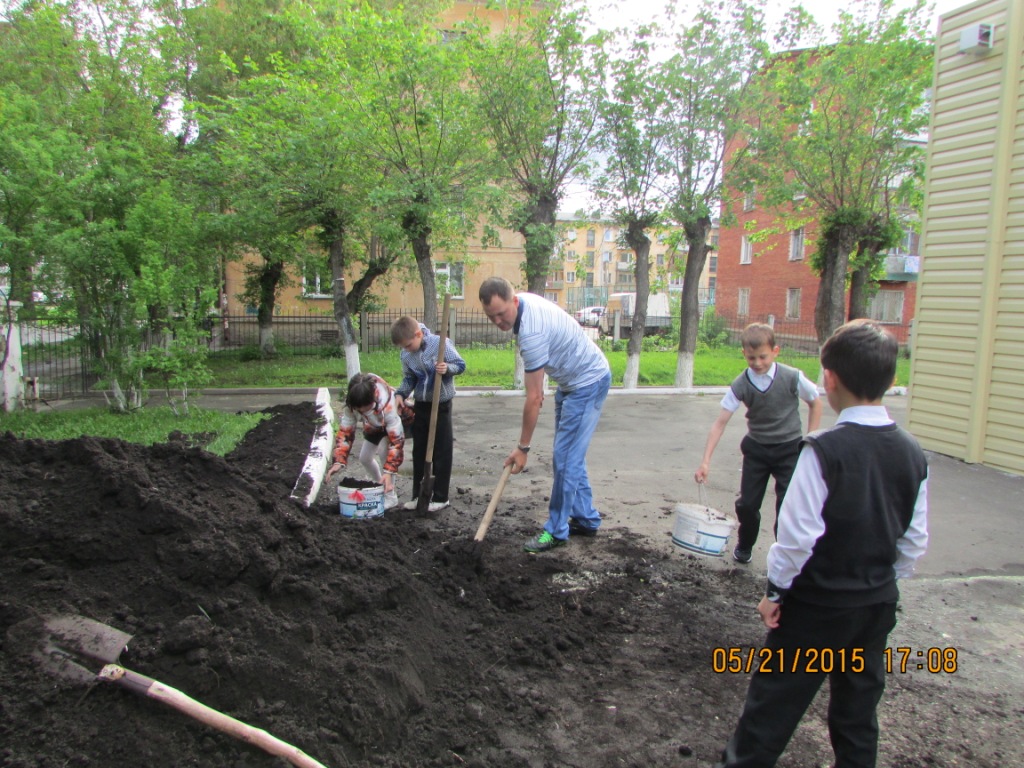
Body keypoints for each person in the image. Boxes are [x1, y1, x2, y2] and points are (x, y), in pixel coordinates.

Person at [714, 319, 929, 768]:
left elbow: (796, 541)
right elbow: (913, 541)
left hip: (815, 610)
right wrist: (877, 586)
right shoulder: (913, 452)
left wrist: (775, 593)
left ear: (828, 379)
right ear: (891, 380)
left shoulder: (820, 451)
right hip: (874, 609)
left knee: (770, 712)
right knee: (856, 716)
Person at [479, 276, 611, 553]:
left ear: (513, 301)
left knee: (565, 459)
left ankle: (556, 531)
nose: (499, 322)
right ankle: (586, 518)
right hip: (572, 383)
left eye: (501, 314)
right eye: (491, 317)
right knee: (570, 456)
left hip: (587, 383)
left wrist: (522, 447)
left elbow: (535, 397)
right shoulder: (523, 304)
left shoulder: (531, 332)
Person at [695, 323, 822, 563]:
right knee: (747, 505)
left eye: (763, 357)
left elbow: (815, 402)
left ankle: (784, 553)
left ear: (775, 351)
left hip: (790, 449)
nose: (757, 363)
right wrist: (705, 461)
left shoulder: (792, 377)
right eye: (751, 358)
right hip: (757, 450)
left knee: (788, 506)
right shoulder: (741, 383)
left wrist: (810, 439)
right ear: (744, 354)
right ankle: (745, 545)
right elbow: (720, 423)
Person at [391, 315, 467, 512]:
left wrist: (447, 368)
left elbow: (460, 365)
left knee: (442, 451)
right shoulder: (406, 355)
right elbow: (409, 378)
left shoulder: (440, 344)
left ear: (418, 334)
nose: (406, 349)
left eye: (408, 345)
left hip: (441, 404)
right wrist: (400, 394)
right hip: (422, 405)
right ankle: (419, 495)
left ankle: (441, 497)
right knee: (419, 451)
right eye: (403, 347)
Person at [326, 372, 405, 512]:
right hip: (373, 425)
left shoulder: (388, 405)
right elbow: (346, 430)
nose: (361, 411)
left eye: (366, 408)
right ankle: (379, 485)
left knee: (383, 451)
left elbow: (396, 442)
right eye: (359, 409)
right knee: (365, 458)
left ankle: (390, 496)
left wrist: (389, 471)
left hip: (393, 422)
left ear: (373, 398)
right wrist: (339, 460)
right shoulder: (353, 403)